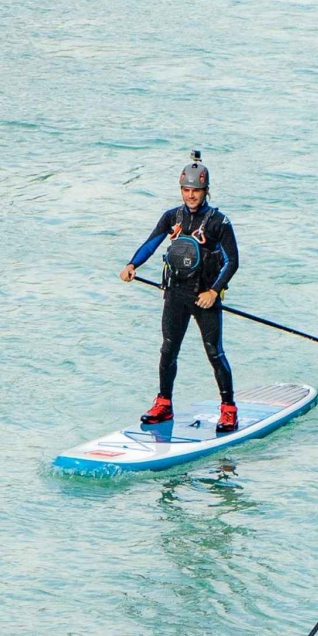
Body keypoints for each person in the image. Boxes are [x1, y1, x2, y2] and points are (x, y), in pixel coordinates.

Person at [120, 151, 241, 432]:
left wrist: (214, 291)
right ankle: (164, 403)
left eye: (196, 191)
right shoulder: (171, 216)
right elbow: (151, 243)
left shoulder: (218, 222)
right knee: (168, 350)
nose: (190, 196)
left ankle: (229, 409)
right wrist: (132, 264)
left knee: (214, 352)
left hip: (204, 297)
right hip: (175, 293)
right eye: (186, 190)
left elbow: (232, 261)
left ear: (206, 191)